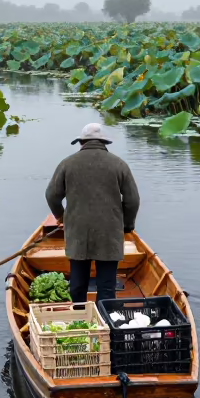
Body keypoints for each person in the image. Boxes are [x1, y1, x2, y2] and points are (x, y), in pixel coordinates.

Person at [45, 122, 140, 304]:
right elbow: (132, 200)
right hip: (109, 232)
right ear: (105, 143)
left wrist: (61, 217)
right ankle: (105, 323)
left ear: (81, 143)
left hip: (78, 232)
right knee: (106, 286)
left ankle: (80, 319)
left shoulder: (67, 163)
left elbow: (51, 195)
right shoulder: (119, 165)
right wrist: (127, 225)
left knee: (78, 284)